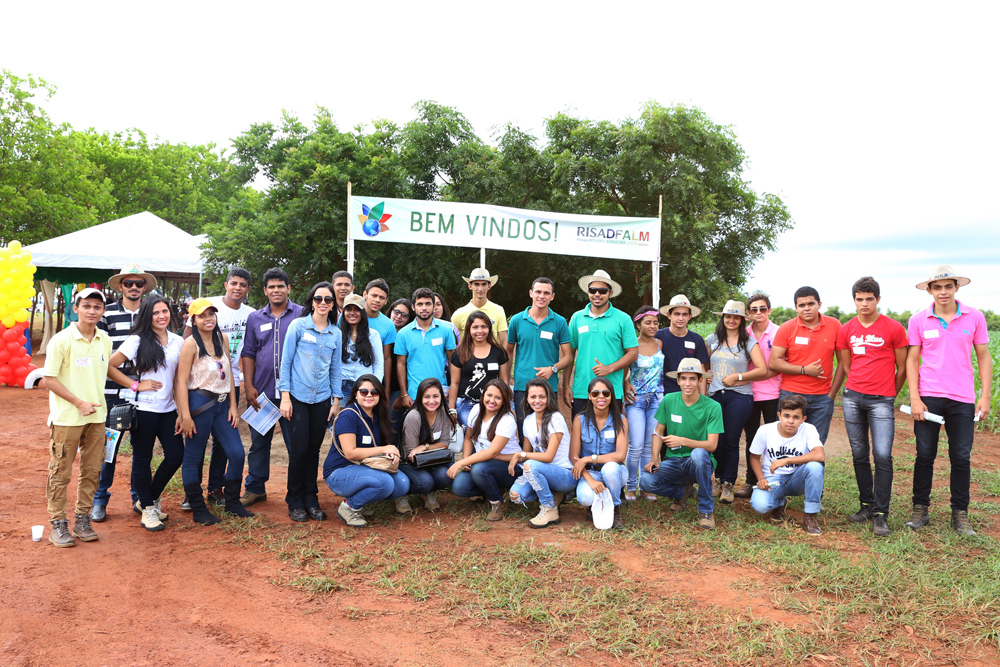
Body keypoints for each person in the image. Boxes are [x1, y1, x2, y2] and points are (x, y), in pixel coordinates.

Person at [904, 265, 992, 536]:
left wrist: (985, 396)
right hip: (929, 398)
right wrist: (915, 398)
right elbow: (912, 359)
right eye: (937, 287)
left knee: (961, 457)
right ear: (930, 290)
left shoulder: (974, 317)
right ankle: (920, 510)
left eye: (948, 286)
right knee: (925, 455)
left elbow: (985, 357)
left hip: (962, 398)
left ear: (956, 288)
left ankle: (960, 515)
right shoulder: (918, 320)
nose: (943, 292)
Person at [43, 289, 117, 546]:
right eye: (87, 306)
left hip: (97, 418)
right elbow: (48, 379)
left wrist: (134, 384)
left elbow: (105, 368)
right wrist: (78, 403)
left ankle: (82, 519)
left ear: (103, 311)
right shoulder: (61, 340)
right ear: (76, 308)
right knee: (61, 471)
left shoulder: (104, 339)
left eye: (97, 307)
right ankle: (58, 524)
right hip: (67, 419)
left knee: (92, 470)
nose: (92, 311)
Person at [106, 296, 185, 532]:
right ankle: (149, 510)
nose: (162, 316)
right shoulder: (137, 340)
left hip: (169, 409)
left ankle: (146, 499)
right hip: (144, 410)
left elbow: (180, 380)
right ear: (147, 316)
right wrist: (135, 385)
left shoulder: (178, 341)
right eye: (156, 312)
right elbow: (110, 366)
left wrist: (181, 411)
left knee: (175, 455)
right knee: (143, 459)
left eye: (165, 311)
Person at [835, 277, 907, 536]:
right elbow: (846, 365)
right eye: (859, 299)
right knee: (859, 453)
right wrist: (857, 386)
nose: (864, 303)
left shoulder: (894, 328)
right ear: (854, 300)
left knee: (883, 455)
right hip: (853, 398)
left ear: (878, 299)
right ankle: (866, 505)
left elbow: (902, 368)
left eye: (869, 299)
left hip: (881, 401)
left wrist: (889, 393)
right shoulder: (847, 329)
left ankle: (880, 514)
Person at [175, 298, 253, 525]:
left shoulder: (223, 338)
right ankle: (198, 508)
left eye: (211, 314)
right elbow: (181, 382)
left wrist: (232, 406)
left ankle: (232, 502)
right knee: (194, 455)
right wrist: (185, 415)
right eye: (202, 316)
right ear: (193, 320)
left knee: (237, 453)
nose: (208, 319)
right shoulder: (190, 344)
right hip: (199, 403)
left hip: (222, 406)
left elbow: (228, 373)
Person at [91, 263, 157, 522]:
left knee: (142, 449)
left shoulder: (151, 313)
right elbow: (100, 353)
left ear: (144, 287)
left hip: (145, 390)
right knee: (109, 446)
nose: (133, 287)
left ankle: (139, 497)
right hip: (111, 389)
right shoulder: (107, 314)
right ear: (120, 286)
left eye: (138, 284)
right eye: (128, 283)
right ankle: (100, 499)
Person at [279, 282, 344, 522]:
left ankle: (311, 498)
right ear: (312, 301)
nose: (323, 303)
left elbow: (336, 369)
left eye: (328, 300)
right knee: (299, 451)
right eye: (319, 299)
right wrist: (284, 397)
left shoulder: (335, 332)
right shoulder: (298, 326)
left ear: (333, 304)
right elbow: (285, 363)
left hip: (323, 399)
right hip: (297, 397)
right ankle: (294, 500)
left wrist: (336, 401)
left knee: (314, 450)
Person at [239, 267, 302, 507]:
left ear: (288, 288)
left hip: (293, 395)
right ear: (265, 291)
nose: (276, 290)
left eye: (280, 286)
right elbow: (249, 352)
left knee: (295, 445)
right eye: (271, 287)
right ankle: (255, 488)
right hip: (262, 393)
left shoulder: (302, 314)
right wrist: (249, 386)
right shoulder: (255, 318)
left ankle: (297, 492)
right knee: (258, 444)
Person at [640, 358, 723, 531]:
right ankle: (683, 492)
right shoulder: (669, 400)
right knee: (646, 481)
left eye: (693, 378)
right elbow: (658, 432)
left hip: (699, 462)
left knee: (699, 454)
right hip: (674, 461)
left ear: (700, 380)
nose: (688, 383)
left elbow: (712, 445)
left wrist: (683, 441)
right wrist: (655, 458)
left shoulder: (713, 407)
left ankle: (706, 510)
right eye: (683, 378)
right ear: (677, 380)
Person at [705, 300, 771, 504]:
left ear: (742, 320)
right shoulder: (712, 339)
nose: (731, 320)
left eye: (736, 317)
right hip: (715, 395)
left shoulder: (748, 342)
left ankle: (728, 484)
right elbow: (704, 363)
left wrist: (738, 377)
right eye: (728, 316)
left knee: (732, 440)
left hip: (739, 396)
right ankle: (717, 480)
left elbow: (762, 369)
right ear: (723, 318)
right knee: (717, 441)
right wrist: (706, 375)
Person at [325, 375, 409, 527]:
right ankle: (349, 507)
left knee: (402, 484)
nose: (369, 395)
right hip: (339, 472)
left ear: (380, 395)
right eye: (364, 392)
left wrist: (388, 453)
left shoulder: (378, 415)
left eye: (374, 392)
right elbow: (350, 453)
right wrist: (385, 448)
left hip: (363, 467)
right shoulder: (349, 415)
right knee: (385, 483)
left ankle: (362, 501)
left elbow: (378, 445)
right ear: (355, 394)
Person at [769, 286, 844, 444]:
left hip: (823, 397)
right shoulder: (787, 328)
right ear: (796, 307)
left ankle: (813, 470)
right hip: (791, 394)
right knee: (786, 443)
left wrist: (832, 394)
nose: (806, 308)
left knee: (816, 444)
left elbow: (843, 361)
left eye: (811, 303)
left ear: (819, 304)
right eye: (801, 305)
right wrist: (804, 370)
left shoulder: (835, 325)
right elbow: (774, 361)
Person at [748, 394, 826, 535]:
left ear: (803, 419)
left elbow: (820, 454)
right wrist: (761, 479)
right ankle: (780, 503)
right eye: (786, 416)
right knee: (759, 506)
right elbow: (754, 457)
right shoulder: (765, 430)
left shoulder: (809, 429)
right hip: (773, 480)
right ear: (779, 415)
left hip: (797, 478)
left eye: (796, 417)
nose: (790, 421)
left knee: (815, 466)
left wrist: (787, 460)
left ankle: (810, 514)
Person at [564, 270, 638, 416]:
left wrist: (610, 368)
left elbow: (633, 352)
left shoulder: (623, 319)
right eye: (593, 290)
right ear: (588, 292)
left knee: (610, 435)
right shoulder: (577, 317)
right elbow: (569, 355)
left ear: (610, 293)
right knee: (581, 434)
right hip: (581, 390)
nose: (597, 294)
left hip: (611, 391)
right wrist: (566, 385)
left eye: (602, 290)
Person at [505, 277, 571, 440]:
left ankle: (545, 464)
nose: (542, 296)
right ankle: (525, 465)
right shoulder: (517, 320)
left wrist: (553, 369)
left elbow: (569, 356)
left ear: (552, 296)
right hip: (522, 386)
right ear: (531, 293)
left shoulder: (560, 322)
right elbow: (508, 351)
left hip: (549, 387)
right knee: (524, 432)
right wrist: (506, 382)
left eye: (546, 293)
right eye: (538, 292)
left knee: (547, 432)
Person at [448, 380, 520, 521]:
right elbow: (468, 438)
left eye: (498, 398)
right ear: (483, 395)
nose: (492, 400)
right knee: (459, 487)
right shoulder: (476, 410)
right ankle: (493, 487)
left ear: (504, 400)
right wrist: (467, 460)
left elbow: (492, 453)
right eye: (489, 395)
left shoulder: (507, 419)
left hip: (511, 466)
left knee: (479, 469)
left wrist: (460, 463)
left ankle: (498, 502)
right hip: (486, 463)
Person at [508, 379, 573, 528]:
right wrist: (521, 455)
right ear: (527, 399)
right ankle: (553, 495)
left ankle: (549, 508)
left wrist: (520, 456)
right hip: (543, 470)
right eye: (533, 397)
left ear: (549, 397)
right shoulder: (528, 421)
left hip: (564, 474)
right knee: (516, 495)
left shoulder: (555, 418)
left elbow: (548, 456)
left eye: (542, 397)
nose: (537, 401)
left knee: (529, 464)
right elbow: (527, 451)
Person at [736, 293, 782, 498]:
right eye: (754, 309)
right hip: (749, 393)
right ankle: (750, 481)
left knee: (775, 439)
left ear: (769, 310)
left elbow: (780, 366)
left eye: (762, 309)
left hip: (774, 392)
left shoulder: (779, 333)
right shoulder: (743, 333)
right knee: (752, 438)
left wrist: (747, 377)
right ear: (748, 313)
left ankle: (775, 480)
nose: (758, 313)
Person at [570, 377, 629, 528]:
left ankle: (616, 507)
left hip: (615, 472)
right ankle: (594, 504)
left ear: (611, 396)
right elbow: (573, 457)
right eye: (595, 393)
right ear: (589, 396)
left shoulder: (621, 420)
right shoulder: (580, 419)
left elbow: (620, 455)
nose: (601, 397)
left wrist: (588, 458)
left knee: (609, 468)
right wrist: (590, 480)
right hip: (591, 473)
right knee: (584, 498)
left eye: (606, 393)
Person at [623, 306, 664, 501]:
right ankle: (630, 487)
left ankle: (646, 486)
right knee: (636, 444)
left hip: (656, 399)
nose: (653, 326)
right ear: (638, 324)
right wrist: (625, 384)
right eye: (648, 322)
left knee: (650, 445)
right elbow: (623, 371)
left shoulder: (660, 343)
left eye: (655, 322)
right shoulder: (632, 346)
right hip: (636, 400)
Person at [398, 378, 456, 513]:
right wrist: (424, 449)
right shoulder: (414, 416)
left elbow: (445, 443)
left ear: (441, 396)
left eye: (436, 396)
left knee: (446, 476)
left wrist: (425, 447)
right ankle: (402, 494)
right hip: (409, 463)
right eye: (427, 397)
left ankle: (428, 492)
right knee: (425, 482)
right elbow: (411, 453)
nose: (432, 401)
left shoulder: (442, 411)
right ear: (420, 397)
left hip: (431, 459)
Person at [395, 288, 457, 410]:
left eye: (428, 304)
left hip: (440, 393)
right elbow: (400, 365)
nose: (424, 308)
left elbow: (453, 361)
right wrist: (404, 393)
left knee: (440, 428)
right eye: (420, 304)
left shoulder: (446, 330)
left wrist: (452, 388)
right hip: (414, 394)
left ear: (434, 306)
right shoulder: (403, 333)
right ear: (413, 307)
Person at [448, 310, 509, 427]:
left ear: (489, 329)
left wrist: (506, 405)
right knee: (469, 438)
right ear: (469, 330)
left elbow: (504, 381)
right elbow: (454, 383)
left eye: (483, 327)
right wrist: (452, 409)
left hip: (493, 404)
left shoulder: (499, 352)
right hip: (466, 404)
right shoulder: (460, 352)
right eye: (475, 327)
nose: (479, 331)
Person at [653, 294, 710, 397]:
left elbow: (702, 370)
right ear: (669, 315)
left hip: (689, 394)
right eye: (677, 314)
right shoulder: (657, 337)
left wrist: (703, 399)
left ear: (690, 316)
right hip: (661, 394)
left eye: (684, 314)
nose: (681, 318)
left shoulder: (697, 340)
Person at [338, 293, 383, 399]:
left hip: (366, 388)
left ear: (362, 312)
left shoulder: (373, 335)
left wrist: (374, 388)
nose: (352, 313)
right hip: (343, 387)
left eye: (357, 309)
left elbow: (378, 365)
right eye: (348, 309)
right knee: (344, 415)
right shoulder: (337, 335)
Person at [451, 268, 508, 347]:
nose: (480, 288)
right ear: (470, 286)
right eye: (476, 284)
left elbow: (503, 341)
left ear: (489, 286)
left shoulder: (498, 310)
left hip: (493, 358)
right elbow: (452, 342)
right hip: (468, 358)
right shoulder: (459, 314)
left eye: (484, 284)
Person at [387, 298, 414, 445]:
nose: (399, 316)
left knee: (393, 426)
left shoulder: (409, 335)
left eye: (404, 315)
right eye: (396, 312)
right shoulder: (382, 331)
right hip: (380, 386)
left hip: (399, 389)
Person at [363, 279, 396, 392]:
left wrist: (386, 389)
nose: (377, 300)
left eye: (381, 297)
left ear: (386, 300)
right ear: (365, 294)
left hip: (373, 381)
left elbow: (386, 358)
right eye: (374, 295)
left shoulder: (389, 324)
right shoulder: (350, 315)